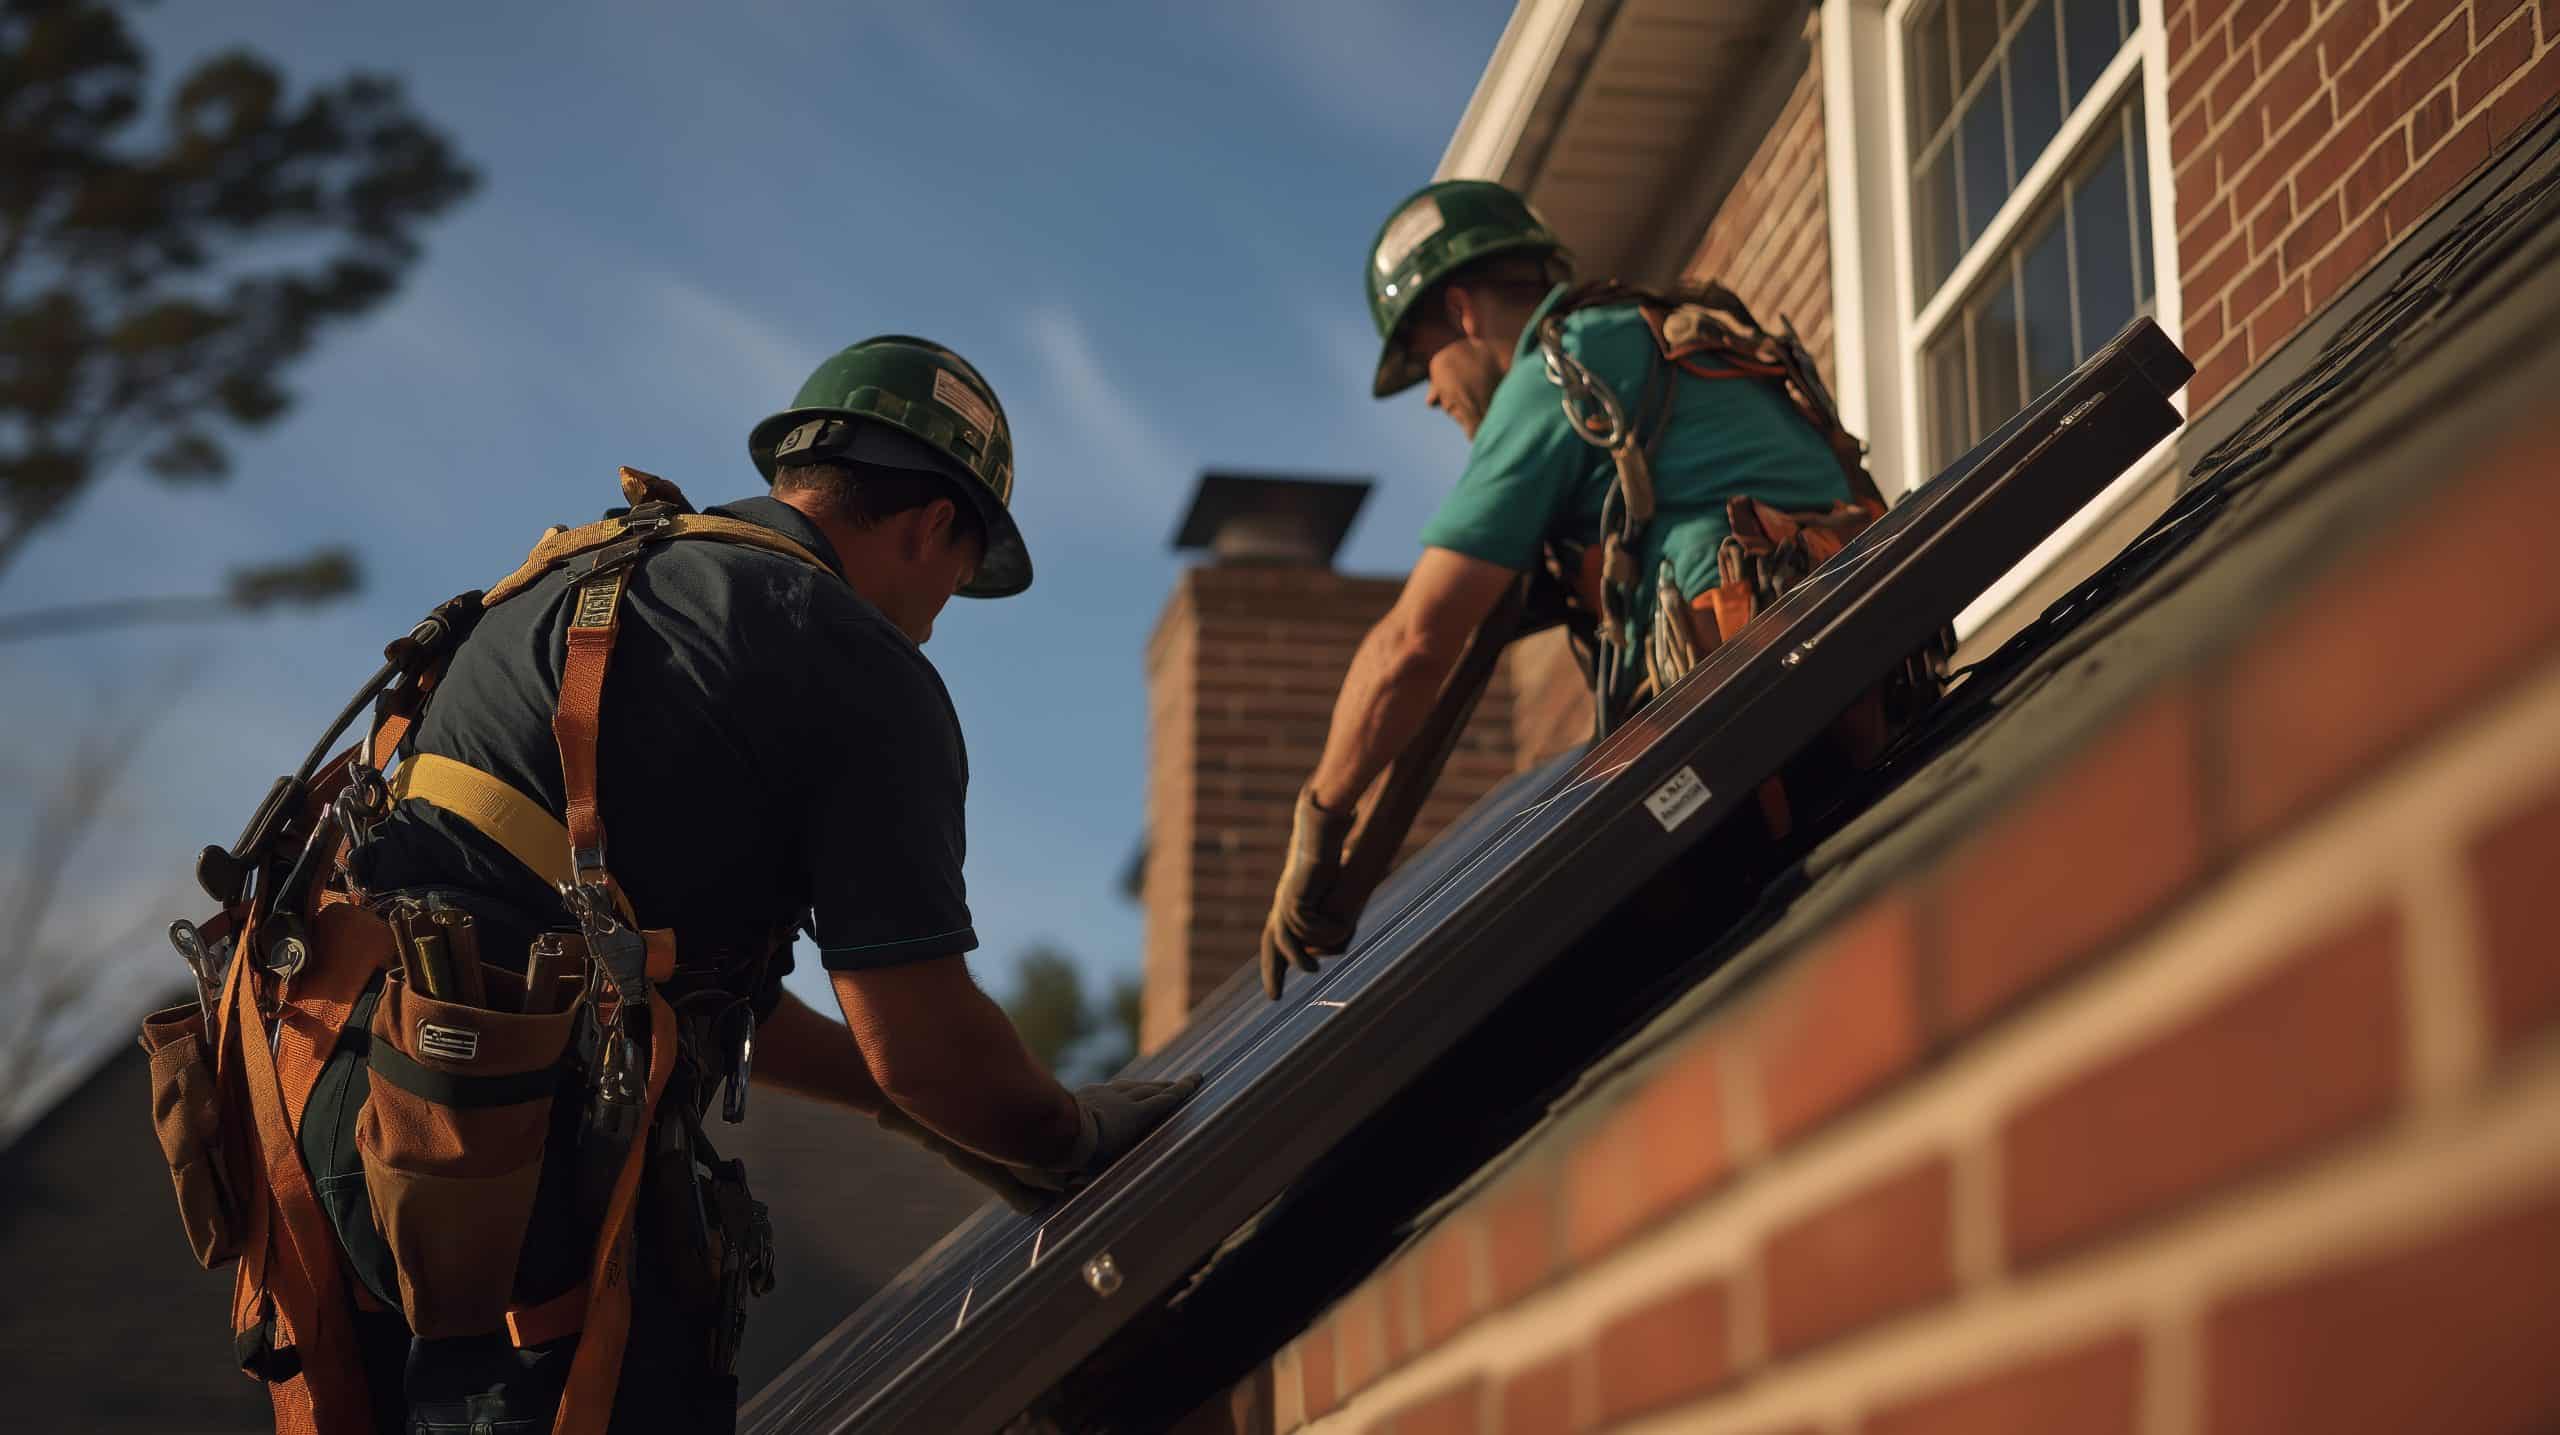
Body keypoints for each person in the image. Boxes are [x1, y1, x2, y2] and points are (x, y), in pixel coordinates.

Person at [325, 335, 1197, 1432]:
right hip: (523, 1193)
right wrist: (1065, 1137)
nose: (937, 616)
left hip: (362, 1140)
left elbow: (668, 983)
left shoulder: (570, 578)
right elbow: (921, 1042)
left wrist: (925, 1118)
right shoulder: (850, 658)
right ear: (933, 525)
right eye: (956, 581)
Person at [1260, 179, 1863, 994]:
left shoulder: (1560, 369)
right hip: (1849, 681)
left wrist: (1320, 817)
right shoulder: (1639, 337)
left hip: (1755, 725)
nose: (1432, 395)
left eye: (1423, 362)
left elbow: (1412, 644)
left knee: (1528, 994)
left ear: (1467, 310)